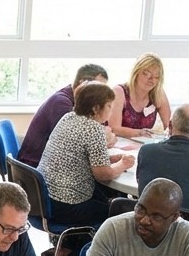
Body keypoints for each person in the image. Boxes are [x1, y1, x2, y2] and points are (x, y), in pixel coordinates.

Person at [37, 81, 134, 228]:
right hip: (67, 205)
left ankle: (67, 248)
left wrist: (109, 159)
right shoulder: (94, 129)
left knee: (103, 197)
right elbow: (103, 175)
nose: (111, 110)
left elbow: (77, 156)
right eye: (109, 106)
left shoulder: (68, 117)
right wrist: (123, 164)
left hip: (45, 198)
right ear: (96, 109)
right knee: (122, 212)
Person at [16, 64, 109, 168]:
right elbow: (73, 145)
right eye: (98, 87)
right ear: (82, 83)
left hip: (44, 163)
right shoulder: (61, 103)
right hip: (36, 165)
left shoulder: (77, 100)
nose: (102, 94)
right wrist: (101, 140)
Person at [109, 53, 172, 139]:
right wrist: (139, 133)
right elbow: (114, 128)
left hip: (144, 144)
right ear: (136, 72)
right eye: (146, 74)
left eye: (156, 77)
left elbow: (169, 126)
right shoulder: (119, 92)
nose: (151, 80)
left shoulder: (158, 93)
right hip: (117, 144)